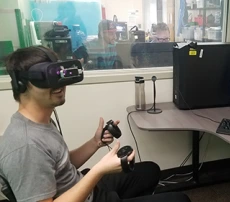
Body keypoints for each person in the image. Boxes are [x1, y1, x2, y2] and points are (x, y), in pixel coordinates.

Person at [0, 46, 191, 202]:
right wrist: (99, 170)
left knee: (150, 170)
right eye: (47, 78)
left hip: (83, 186)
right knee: (181, 200)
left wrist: (95, 142)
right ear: (22, 85)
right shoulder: (25, 145)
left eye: (60, 75)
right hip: (85, 195)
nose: (59, 85)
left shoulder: (41, 122)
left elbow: (62, 164)